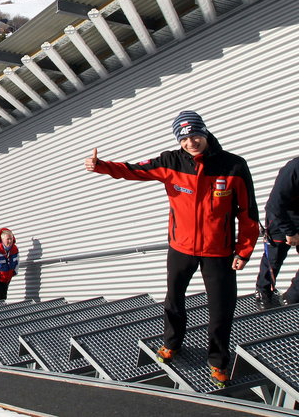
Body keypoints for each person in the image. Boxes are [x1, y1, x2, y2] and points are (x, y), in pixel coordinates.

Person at [84, 110, 258, 388]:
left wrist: (243, 251)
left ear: (205, 132)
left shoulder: (233, 166)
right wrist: (102, 166)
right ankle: (171, 344)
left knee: (221, 309)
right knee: (174, 300)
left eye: (196, 135)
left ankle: (218, 362)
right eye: (185, 138)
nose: (192, 142)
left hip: (219, 252)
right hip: (181, 248)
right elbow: (133, 170)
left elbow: (248, 213)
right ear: (179, 140)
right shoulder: (170, 161)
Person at [255, 157, 299, 308]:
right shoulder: (294, 168)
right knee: (273, 259)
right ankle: (263, 292)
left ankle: (292, 297)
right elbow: (274, 205)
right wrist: (290, 232)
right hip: (281, 218)